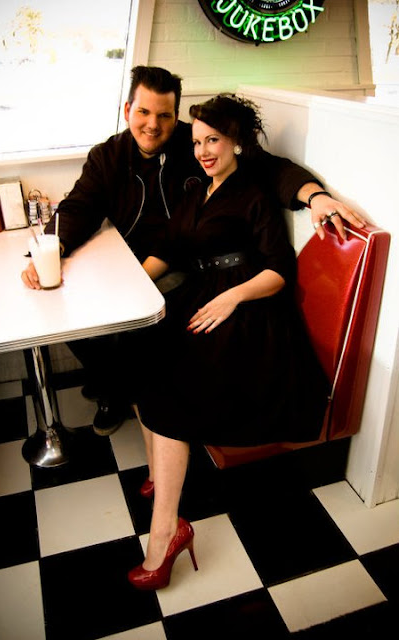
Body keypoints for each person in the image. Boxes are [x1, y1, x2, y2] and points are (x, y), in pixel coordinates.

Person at [21, 65, 364, 439]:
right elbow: (78, 207)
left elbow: (270, 168)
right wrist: (50, 251)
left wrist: (315, 196)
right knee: (76, 313)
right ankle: (112, 384)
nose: (153, 125)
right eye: (143, 112)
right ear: (127, 110)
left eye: (164, 115)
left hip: (185, 266)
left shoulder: (196, 142)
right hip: (135, 261)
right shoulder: (108, 156)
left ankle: (127, 391)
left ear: (176, 116)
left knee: (138, 324)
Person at [128, 94, 330, 590]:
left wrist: (231, 299)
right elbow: (169, 248)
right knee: (138, 354)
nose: (202, 150)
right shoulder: (198, 189)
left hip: (249, 311)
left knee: (168, 391)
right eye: (197, 141)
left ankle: (166, 532)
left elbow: (280, 270)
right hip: (204, 296)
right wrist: (129, 287)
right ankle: (160, 471)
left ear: (236, 141)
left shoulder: (252, 193)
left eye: (213, 140)